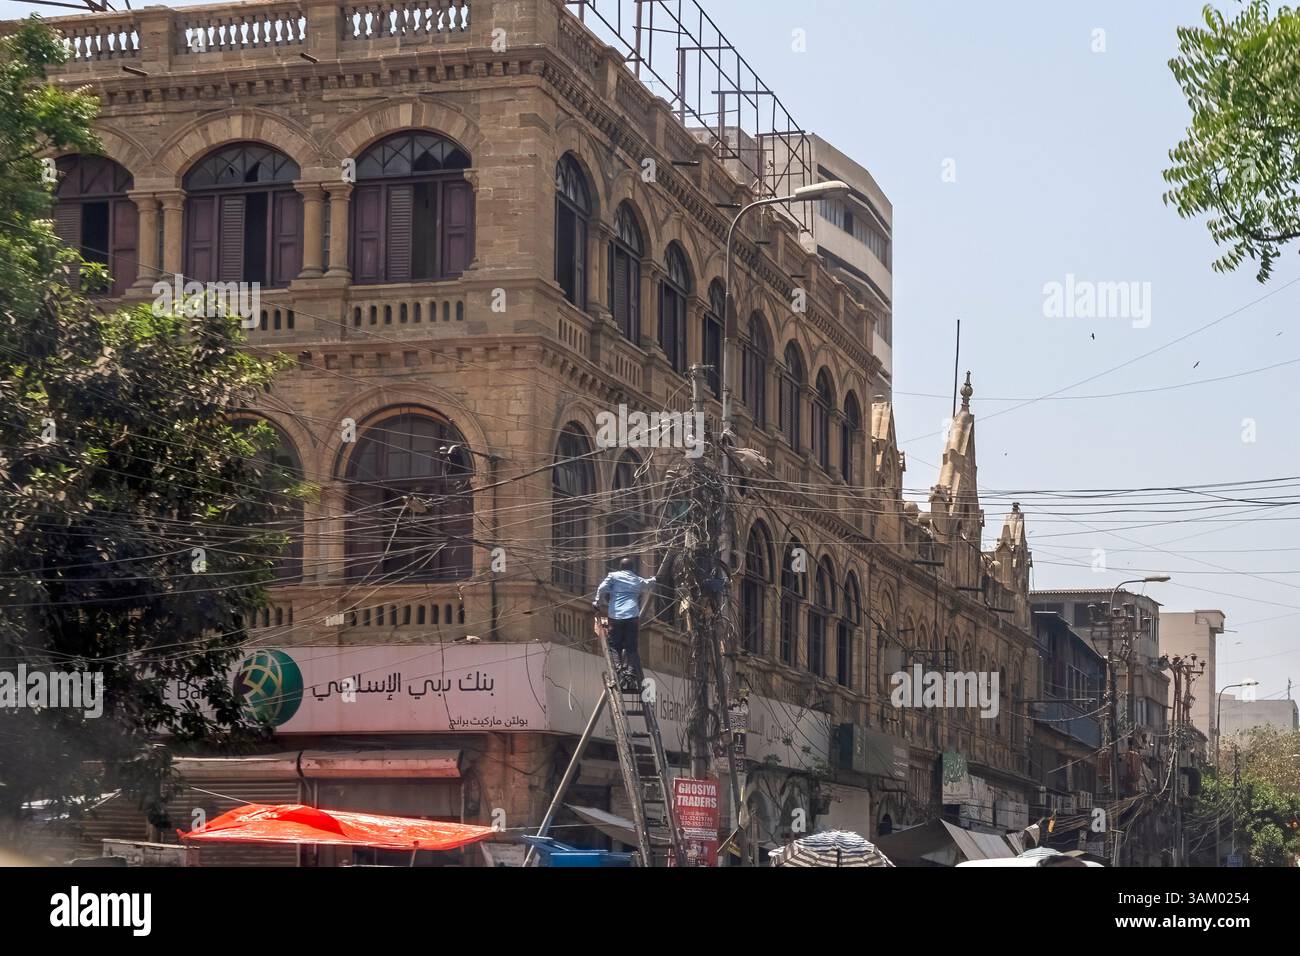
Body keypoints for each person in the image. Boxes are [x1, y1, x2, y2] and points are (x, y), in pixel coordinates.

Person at [594, 557, 655, 690]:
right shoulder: (637, 579)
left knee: (614, 646)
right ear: (632, 569)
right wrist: (655, 578)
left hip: (615, 616)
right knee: (631, 647)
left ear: (620, 568)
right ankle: (630, 674)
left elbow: (602, 588)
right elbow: (648, 584)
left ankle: (618, 671)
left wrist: (597, 601)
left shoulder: (613, 576)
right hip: (632, 616)